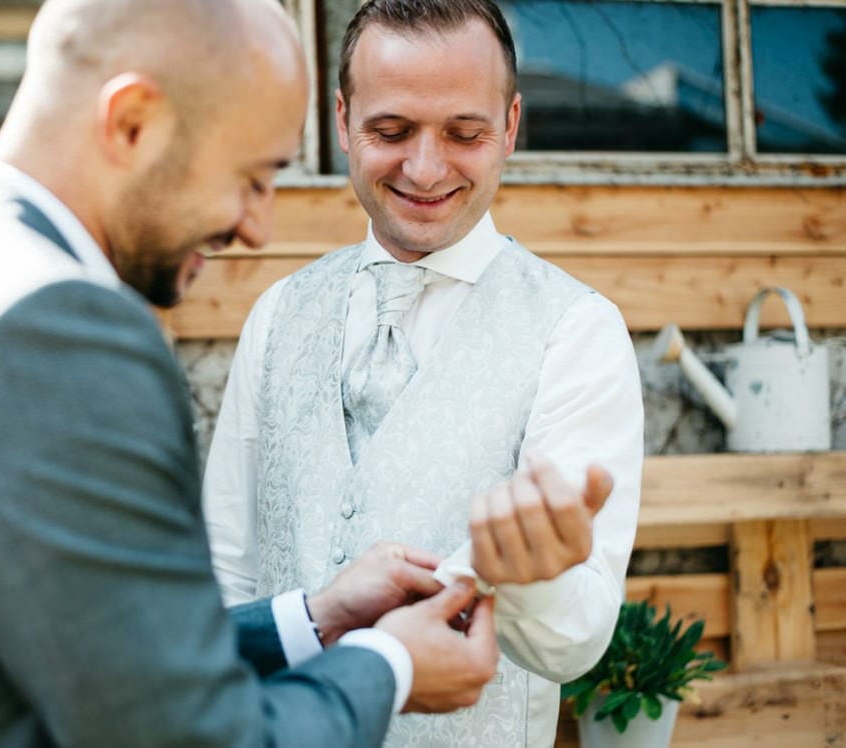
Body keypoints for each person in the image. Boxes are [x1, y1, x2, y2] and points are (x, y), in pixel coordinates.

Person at [0, 1, 504, 746]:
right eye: (250, 176)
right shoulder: (53, 334)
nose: (256, 227)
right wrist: (387, 665)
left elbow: (100, 656)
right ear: (132, 124)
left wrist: (312, 618)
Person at [202, 0, 645, 746]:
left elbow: (576, 641)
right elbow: (224, 569)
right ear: (342, 121)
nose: (425, 167)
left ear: (508, 126)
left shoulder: (576, 334)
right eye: (391, 130)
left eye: (464, 133)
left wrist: (528, 573)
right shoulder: (278, 313)